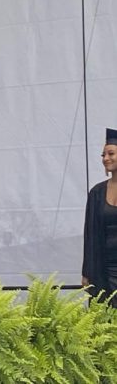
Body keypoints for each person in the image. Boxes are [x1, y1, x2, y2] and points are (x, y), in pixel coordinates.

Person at [82, 128, 117, 306]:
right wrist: (86, 272)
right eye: (103, 155)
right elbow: (90, 235)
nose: (105, 158)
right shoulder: (97, 193)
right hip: (103, 269)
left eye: (111, 153)